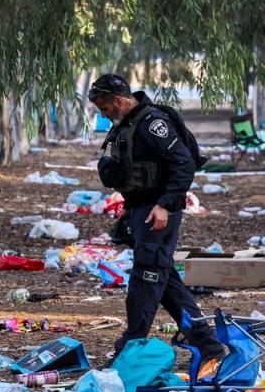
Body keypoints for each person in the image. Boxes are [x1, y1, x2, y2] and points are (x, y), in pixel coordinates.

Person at [88, 74, 226, 363]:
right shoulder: (126, 123)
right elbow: (134, 171)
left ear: (120, 100)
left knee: (146, 277)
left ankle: (132, 344)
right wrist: (129, 207)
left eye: (106, 108)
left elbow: (183, 164)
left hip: (159, 212)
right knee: (164, 280)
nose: (104, 114)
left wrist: (164, 205)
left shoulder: (153, 123)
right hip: (141, 209)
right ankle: (209, 345)